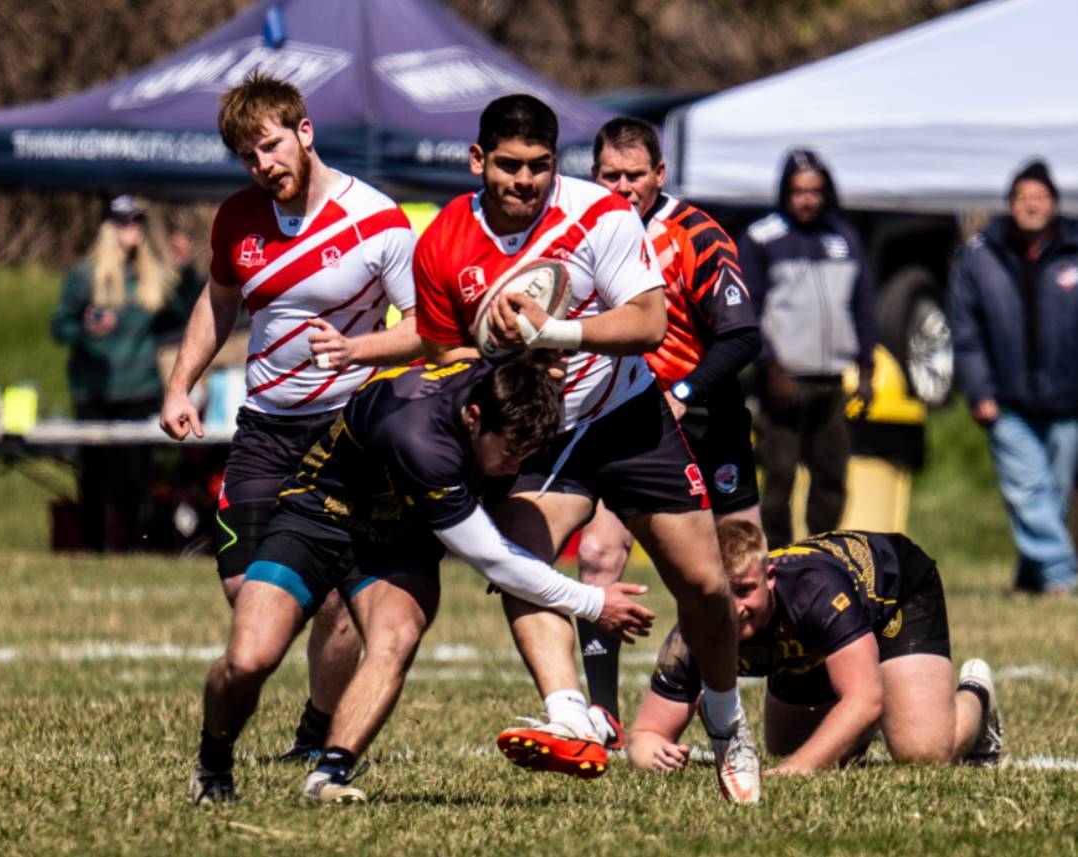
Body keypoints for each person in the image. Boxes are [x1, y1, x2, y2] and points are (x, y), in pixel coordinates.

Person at [413, 94, 760, 802]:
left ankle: (725, 718)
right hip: (541, 430)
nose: (525, 180)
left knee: (702, 582)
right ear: (478, 161)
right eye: (508, 166)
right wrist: (486, 362)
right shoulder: (445, 238)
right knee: (516, 559)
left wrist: (555, 333)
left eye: (540, 166)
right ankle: (572, 715)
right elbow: (440, 343)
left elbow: (649, 321)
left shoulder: (600, 213)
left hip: (626, 411)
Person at [190, 358, 655, 804]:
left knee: (397, 637)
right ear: (473, 418)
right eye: (510, 452)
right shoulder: (420, 437)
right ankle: (213, 762)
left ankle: (330, 772)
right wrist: (594, 603)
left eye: (526, 455)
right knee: (250, 660)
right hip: (318, 521)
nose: (515, 468)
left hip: (400, 540)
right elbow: (492, 559)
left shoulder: (502, 393)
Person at [160, 72, 423, 762]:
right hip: (265, 431)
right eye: (248, 157)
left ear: (305, 131)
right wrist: (180, 384)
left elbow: (430, 325)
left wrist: (360, 348)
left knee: (338, 599)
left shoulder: (379, 222)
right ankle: (270, 692)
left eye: (271, 147)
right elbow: (219, 301)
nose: (263, 166)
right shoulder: (237, 218)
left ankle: (315, 732)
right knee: (248, 589)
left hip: (349, 436)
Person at [573, 117, 762, 729]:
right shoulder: (579, 232)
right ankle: (602, 712)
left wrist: (684, 390)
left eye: (635, 176)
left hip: (706, 419)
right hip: (624, 419)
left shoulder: (697, 234)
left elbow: (741, 337)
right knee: (599, 553)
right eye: (610, 176)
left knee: (739, 571)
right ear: (592, 174)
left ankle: (719, 699)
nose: (623, 188)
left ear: (660, 174)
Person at [627, 520, 1004, 774]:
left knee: (922, 753)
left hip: (895, 591)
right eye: (723, 595)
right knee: (787, 748)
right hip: (810, 642)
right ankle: (852, 730)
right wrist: (651, 754)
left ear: (768, 578)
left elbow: (866, 700)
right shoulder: (695, 627)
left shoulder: (816, 593)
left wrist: (797, 771)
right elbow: (646, 734)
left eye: (745, 591)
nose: (736, 609)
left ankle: (977, 696)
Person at [949, 159, 1078, 596]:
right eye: (1023, 197)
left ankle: (1030, 579)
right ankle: (1061, 577)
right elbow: (965, 331)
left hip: (1068, 399)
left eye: (1040, 197)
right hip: (1005, 400)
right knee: (1029, 490)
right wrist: (979, 389)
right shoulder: (979, 254)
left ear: (1054, 204)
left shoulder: (1074, 248)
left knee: (1053, 497)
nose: (1032, 205)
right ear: (1009, 204)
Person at [739, 149, 877, 550]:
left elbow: (862, 305)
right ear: (784, 192)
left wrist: (866, 366)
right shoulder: (762, 238)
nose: (806, 199)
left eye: (815, 191)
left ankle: (823, 553)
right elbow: (747, 309)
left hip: (832, 378)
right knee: (779, 475)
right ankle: (780, 557)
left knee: (832, 474)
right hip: (782, 379)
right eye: (798, 191)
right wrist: (769, 365)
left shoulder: (843, 237)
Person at [51, 195, 203, 551]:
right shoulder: (84, 277)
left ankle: (136, 549)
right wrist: (85, 329)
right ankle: (93, 550)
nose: (132, 227)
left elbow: (187, 315)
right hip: (96, 392)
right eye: (123, 221)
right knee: (94, 479)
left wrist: (186, 271)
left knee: (136, 480)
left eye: (137, 220)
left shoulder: (150, 276)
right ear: (108, 227)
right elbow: (60, 327)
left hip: (141, 390)